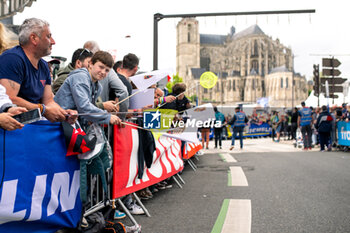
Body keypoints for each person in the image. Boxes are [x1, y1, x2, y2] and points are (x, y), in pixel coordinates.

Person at [0, 18, 76, 123]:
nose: (53, 42)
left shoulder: (44, 65)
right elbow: (8, 99)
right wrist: (42, 109)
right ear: (34, 38)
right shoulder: (12, 59)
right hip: (16, 129)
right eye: (49, 36)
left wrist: (63, 113)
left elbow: (48, 100)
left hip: (36, 127)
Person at [54, 51, 121, 126]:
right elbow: (84, 107)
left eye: (107, 70)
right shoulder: (81, 77)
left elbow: (86, 111)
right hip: (57, 122)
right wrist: (107, 116)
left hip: (71, 124)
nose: (103, 72)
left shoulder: (98, 87)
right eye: (101, 67)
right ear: (91, 64)